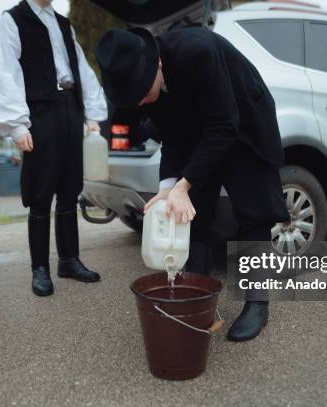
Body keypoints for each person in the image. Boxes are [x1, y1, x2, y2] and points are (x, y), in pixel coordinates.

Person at [96, 27, 290, 342]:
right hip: (200, 131)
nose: (142, 100)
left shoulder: (196, 51)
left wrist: (185, 184)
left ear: (157, 64)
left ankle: (257, 303)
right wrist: (169, 186)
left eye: (143, 92)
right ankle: (197, 296)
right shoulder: (142, 86)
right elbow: (171, 134)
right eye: (135, 98)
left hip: (243, 124)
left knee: (254, 214)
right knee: (191, 214)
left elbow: (225, 125)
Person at [0, 0, 107, 297]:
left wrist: (92, 113)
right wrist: (16, 125)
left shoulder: (63, 23)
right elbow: (5, 70)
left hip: (70, 109)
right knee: (41, 194)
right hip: (39, 114)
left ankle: (69, 260)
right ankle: (39, 268)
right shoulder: (14, 18)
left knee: (69, 190)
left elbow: (81, 68)